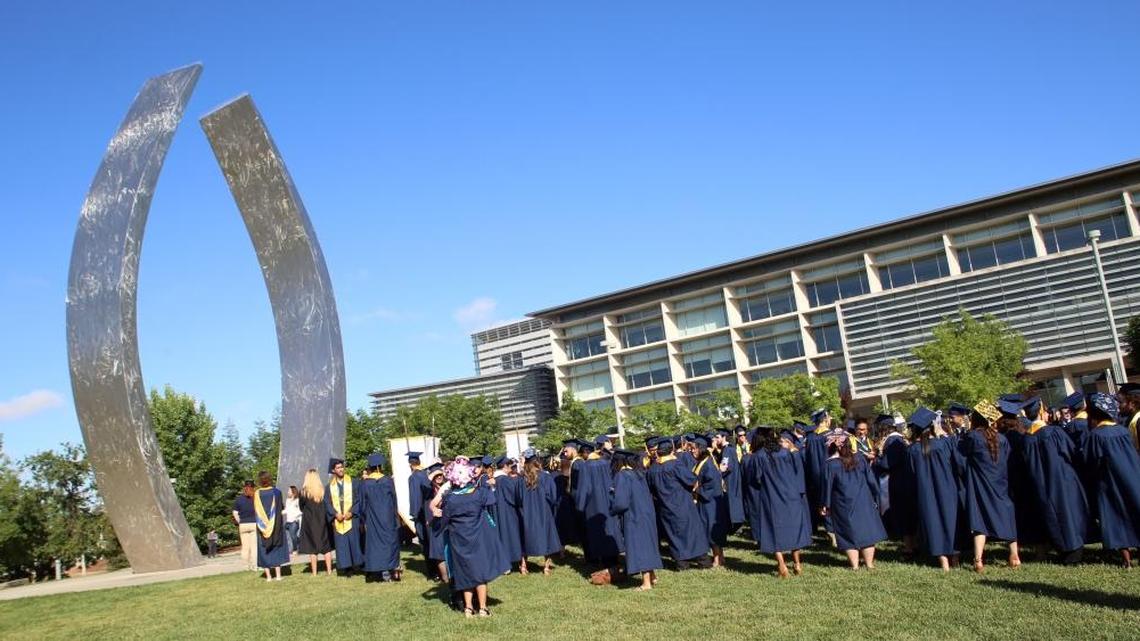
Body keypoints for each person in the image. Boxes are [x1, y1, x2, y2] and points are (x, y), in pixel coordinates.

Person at [1019, 396, 1088, 564]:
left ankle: (1062, 550)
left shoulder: (1026, 439)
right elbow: (1070, 451)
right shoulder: (1053, 432)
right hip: (1062, 479)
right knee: (1069, 511)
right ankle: (1074, 551)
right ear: (1042, 411)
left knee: (1052, 514)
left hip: (1041, 483)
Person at [959, 400, 1021, 573]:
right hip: (1000, 483)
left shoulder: (972, 437)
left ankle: (978, 559)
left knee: (980, 521)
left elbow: (961, 457)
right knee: (1007, 515)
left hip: (981, 485)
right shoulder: (1002, 438)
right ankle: (1014, 555)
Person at [440, 457, 506, 618]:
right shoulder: (479, 494)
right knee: (480, 572)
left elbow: (444, 521)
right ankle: (483, 608)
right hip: (477, 538)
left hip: (459, 541)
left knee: (464, 573)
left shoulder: (449, 498)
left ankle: (468, 608)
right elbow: (492, 499)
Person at [1081, 393, 1140, 568]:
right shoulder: (1122, 430)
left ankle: (1126, 560)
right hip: (1132, 477)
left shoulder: (1096, 436)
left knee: (1116, 516)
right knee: (1135, 511)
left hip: (1109, 482)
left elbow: (1090, 461)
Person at [743, 426, 811, 578]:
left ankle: (782, 566)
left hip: (772, 497)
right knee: (794, 528)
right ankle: (797, 563)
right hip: (791, 495)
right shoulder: (785, 452)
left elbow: (757, 479)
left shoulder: (758, 456)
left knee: (773, 529)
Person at [820, 429, 886, 570]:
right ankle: (869, 564)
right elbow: (871, 480)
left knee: (847, 532)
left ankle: (855, 566)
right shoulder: (860, 458)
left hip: (842, 502)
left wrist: (825, 504)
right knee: (867, 530)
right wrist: (875, 494)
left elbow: (827, 486)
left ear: (836, 445)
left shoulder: (830, 464)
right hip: (863, 499)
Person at [906, 408, 960, 571]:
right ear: (932, 426)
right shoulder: (943, 443)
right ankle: (955, 558)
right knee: (951, 520)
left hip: (925, 491)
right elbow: (957, 463)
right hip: (947, 487)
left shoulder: (912, 450)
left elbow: (912, 473)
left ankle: (943, 561)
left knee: (933, 521)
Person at [645, 437, 710, 569]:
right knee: (693, 532)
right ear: (672, 450)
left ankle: (682, 564)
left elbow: (650, 488)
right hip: (682, 504)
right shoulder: (675, 465)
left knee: (673, 534)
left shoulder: (652, 469)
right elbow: (691, 480)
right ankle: (703, 561)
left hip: (665, 507)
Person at [609, 449, 662, 590]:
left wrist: (612, 509)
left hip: (634, 516)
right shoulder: (639, 474)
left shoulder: (622, 476)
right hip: (647, 514)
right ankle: (652, 576)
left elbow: (621, 502)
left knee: (640, 547)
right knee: (648, 545)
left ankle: (646, 583)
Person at [574, 442, 624, 567]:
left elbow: (584, 488)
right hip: (608, 502)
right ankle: (615, 558)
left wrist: (580, 506)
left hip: (593, 505)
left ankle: (604, 562)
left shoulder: (585, 467)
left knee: (598, 531)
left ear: (586, 453)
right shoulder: (605, 463)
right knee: (610, 528)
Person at [874, 414, 916, 558]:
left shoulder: (893, 441)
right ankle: (913, 544)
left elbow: (887, 463)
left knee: (904, 513)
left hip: (898, 481)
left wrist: (876, 458)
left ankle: (909, 547)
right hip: (905, 479)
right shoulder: (901, 439)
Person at [514, 449, 561, 575]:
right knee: (546, 536)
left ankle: (523, 566)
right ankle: (546, 567)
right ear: (537, 461)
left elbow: (518, 498)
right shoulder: (545, 477)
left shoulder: (520, 480)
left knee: (525, 536)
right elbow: (553, 496)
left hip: (526, 512)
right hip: (543, 511)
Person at [359, 453, 401, 582]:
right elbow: (394, 500)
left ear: (370, 467)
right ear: (380, 466)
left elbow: (362, 504)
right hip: (388, 518)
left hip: (373, 519)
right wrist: (395, 515)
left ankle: (379, 571)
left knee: (375, 544)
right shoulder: (388, 481)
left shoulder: (365, 484)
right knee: (389, 543)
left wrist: (363, 519)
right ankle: (391, 570)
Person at [692, 435, 729, 568]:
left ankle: (717, 559)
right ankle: (720, 557)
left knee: (712, 530)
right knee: (712, 530)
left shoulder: (708, 464)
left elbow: (712, 484)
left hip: (710, 502)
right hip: (707, 502)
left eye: (694, 449)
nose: (692, 451)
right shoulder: (703, 462)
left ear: (701, 449)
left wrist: (697, 489)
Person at [325, 457, 364, 575]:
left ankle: (358, 565)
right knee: (342, 544)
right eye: (338, 468)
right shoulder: (329, 487)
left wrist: (352, 512)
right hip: (338, 520)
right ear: (333, 470)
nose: (341, 469)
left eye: (342, 467)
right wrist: (335, 514)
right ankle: (347, 568)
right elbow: (327, 503)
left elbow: (359, 499)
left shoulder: (354, 482)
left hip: (352, 518)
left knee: (354, 542)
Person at [491, 456, 524, 573]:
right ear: (505, 466)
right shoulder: (505, 480)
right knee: (510, 536)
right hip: (508, 512)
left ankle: (504, 564)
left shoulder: (495, 479)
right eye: (510, 465)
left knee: (501, 535)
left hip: (498, 511)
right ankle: (509, 563)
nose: (512, 467)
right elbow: (513, 497)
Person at [298, 468, 333, 576]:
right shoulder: (323, 490)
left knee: (312, 548)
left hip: (309, 522)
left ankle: (314, 572)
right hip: (322, 520)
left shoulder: (304, 492)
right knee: (326, 547)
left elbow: (301, 507)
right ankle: (329, 570)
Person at [253, 471, 288, 581]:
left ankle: (268, 577)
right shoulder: (277, 492)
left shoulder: (257, 494)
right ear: (269, 479)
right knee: (276, 548)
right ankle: (278, 576)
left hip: (262, 526)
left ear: (259, 481)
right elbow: (281, 507)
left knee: (264, 550)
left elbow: (256, 510)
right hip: (276, 525)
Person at [803, 408, 834, 531]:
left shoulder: (810, 438)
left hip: (815, 474)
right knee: (832, 500)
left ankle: (829, 528)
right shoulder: (830, 435)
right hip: (830, 471)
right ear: (825, 419)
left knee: (822, 501)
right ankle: (834, 529)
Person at [713, 428, 745, 532]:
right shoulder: (728, 449)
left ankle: (736, 524)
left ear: (724, 437)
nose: (715, 439)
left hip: (730, 480)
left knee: (732, 500)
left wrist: (716, 473)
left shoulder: (727, 449)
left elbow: (724, 466)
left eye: (717, 437)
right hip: (732, 478)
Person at [407, 451, 433, 570]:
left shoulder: (413, 477)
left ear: (410, 464)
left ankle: (432, 570)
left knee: (424, 541)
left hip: (421, 513)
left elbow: (415, 497)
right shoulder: (426, 474)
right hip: (431, 511)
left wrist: (414, 513)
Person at [424, 463, 450, 584]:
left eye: (441, 475)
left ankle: (450, 575)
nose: (439, 477)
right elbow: (423, 483)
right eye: (437, 475)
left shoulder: (447, 486)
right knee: (439, 552)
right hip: (436, 523)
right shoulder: (429, 488)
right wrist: (433, 474)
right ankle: (445, 577)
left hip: (448, 523)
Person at [232, 480, 258, 571]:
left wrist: (240, 522)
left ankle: (245, 566)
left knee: (245, 547)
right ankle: (255, 565)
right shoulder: (255, 498)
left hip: (243, 524)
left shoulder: (238, 499)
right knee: (254, 546)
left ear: (244, 487)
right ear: (253, 487)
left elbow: (235, 513)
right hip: (254, 523)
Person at [284, 486, 302, 555]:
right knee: (287, 536)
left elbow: (300, 511)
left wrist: (296, 516)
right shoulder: (287, 500)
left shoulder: (297, 500)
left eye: (289, 491)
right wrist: (281, 512)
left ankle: (295, 549)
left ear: (293, 492)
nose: (288, 492)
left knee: (293, 536)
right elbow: (287, 510)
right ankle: (289, 550)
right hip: (288, 521)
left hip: (294, 521)